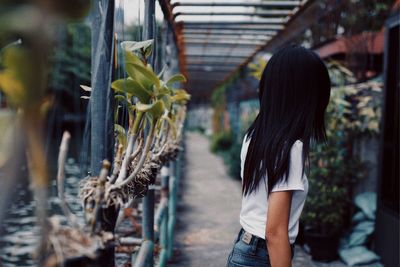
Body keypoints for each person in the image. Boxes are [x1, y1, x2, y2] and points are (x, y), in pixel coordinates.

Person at [226, 45, 331, 267]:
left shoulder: (256, 135)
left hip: (245, 248)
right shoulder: (290, 148)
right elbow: (275, 233)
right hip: (262, 255)